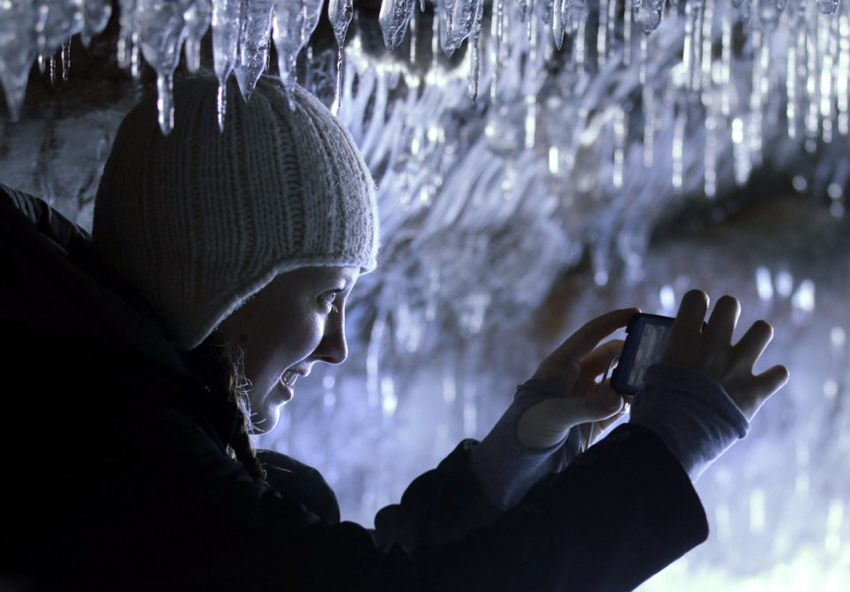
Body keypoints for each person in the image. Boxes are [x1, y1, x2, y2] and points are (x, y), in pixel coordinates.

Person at [0, 75, 788, 591]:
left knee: (299, 492)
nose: (338, 344)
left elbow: (347, 570)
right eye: (326, 295)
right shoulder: (115, 452)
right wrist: (669, 442)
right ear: (227, 282)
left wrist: (515, 452)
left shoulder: (97, 409)